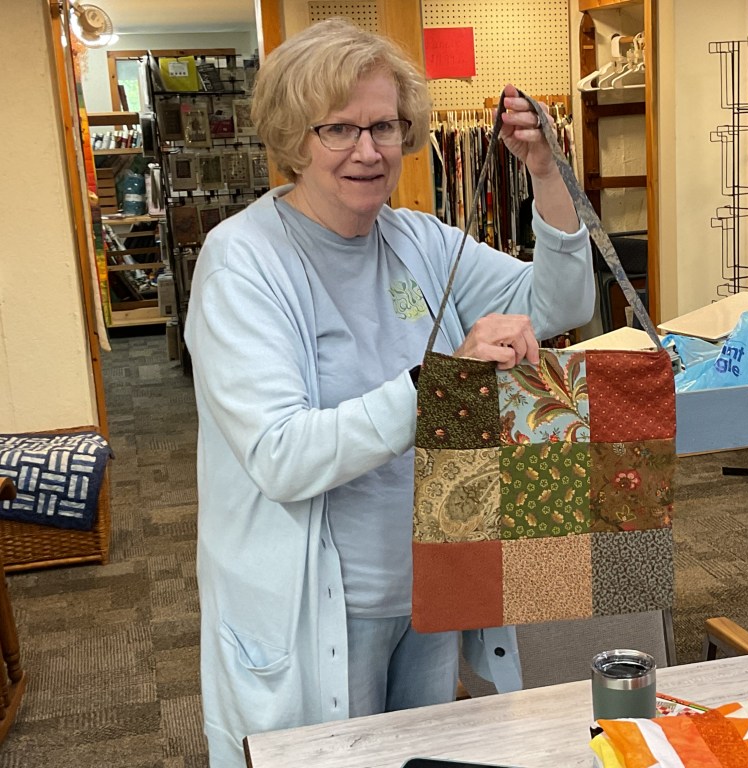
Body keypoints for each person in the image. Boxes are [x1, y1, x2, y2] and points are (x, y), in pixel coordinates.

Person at [183, 17, 596, 768]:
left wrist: (546, 174)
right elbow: (281, 456)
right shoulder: (243, 262)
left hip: (430, 582)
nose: (368, 152)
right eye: (338, 129)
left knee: (424, 757)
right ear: (292, 137)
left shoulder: (417, 240)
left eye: (384, 126)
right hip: (314, 610)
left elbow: (558, 303)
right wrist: (442, 385)